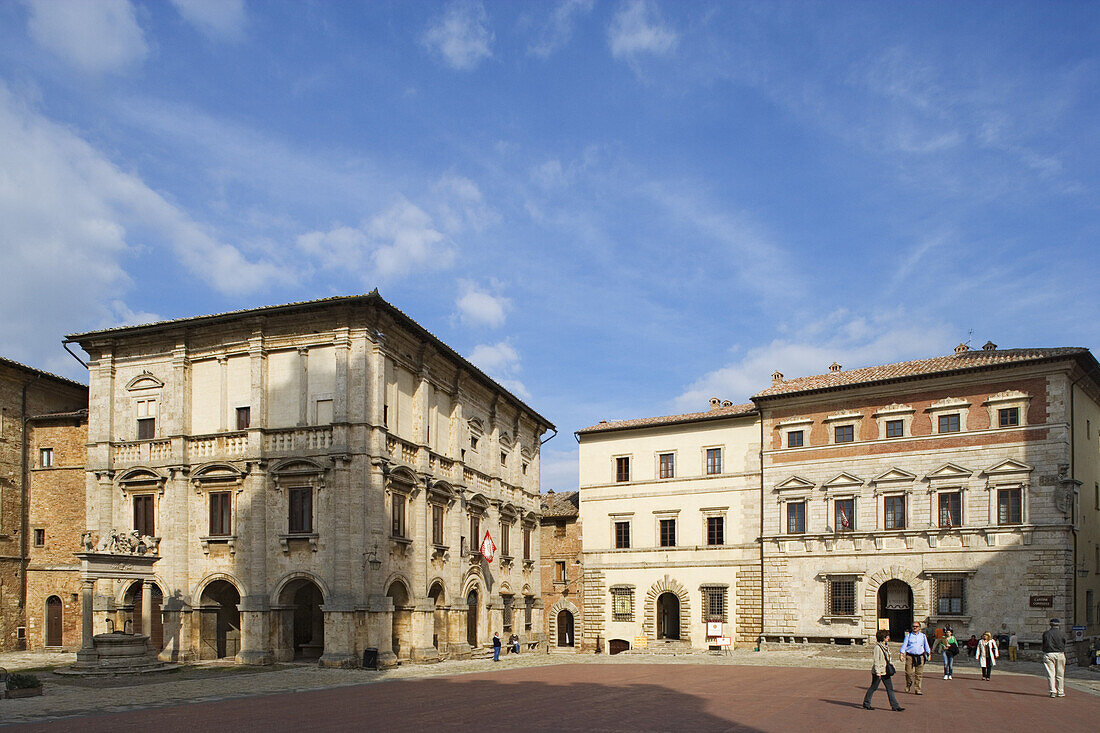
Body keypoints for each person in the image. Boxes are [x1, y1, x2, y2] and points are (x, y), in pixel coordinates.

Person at [863, 629, 904, 712]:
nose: (888, 638)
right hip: (879, 671)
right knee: (874, 687)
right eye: (887, 636)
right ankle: (866, 703)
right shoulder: (877, 648)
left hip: (886, 671)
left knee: (890, 688)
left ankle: (895, 706)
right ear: (883, 637)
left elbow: (888, 658)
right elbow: (876, 660)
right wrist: (878, 672)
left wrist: (891, 664)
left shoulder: (886, 646)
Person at [900, 621, 931, 694]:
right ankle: (908, 684)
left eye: (916, 626)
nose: (914, 628)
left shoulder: (923, 636)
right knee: (908, 673)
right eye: (913, 626)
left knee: (919, 674)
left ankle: (918, 689)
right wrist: (901, 653)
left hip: (920, 656)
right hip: (910, 656)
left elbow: (926, 645)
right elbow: (904, 645)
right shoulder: (908, 636)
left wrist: (929, 653)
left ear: (919, 628)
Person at [1042, 618, 1067, 698]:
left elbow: (1044, 643)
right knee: (1060, 674)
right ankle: (1060, 691)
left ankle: (1053, 691)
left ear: (1050, 625)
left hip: (1049, 653)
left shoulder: (1046, 633)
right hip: (1060, 653)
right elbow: (1064, 642)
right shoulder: (1062, 633)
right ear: (1059, 625)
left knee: (1051, 674)